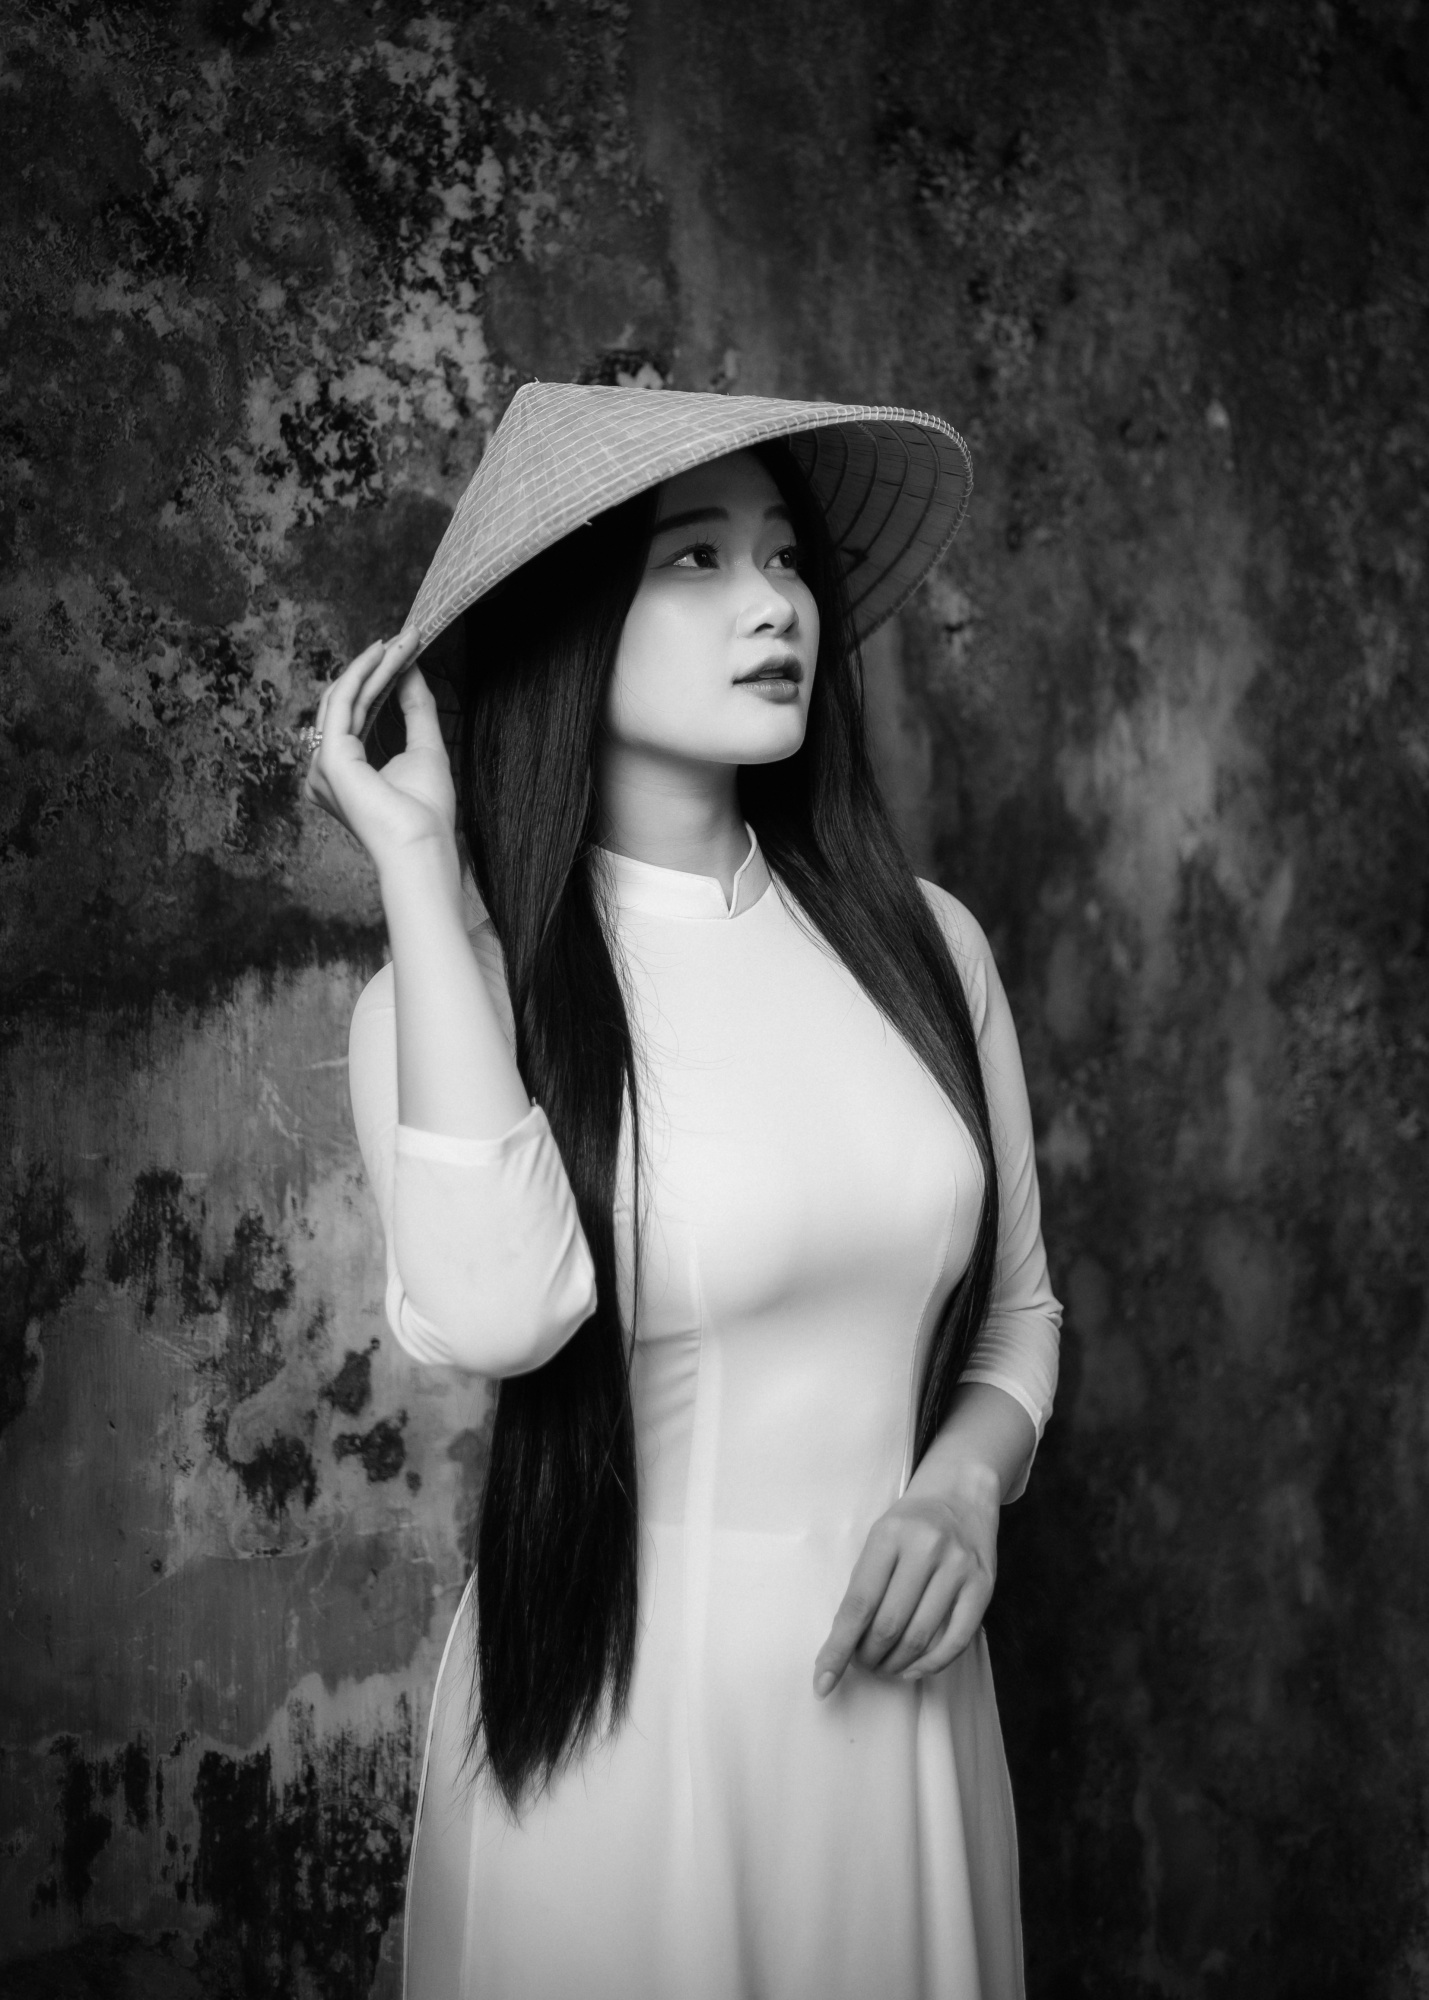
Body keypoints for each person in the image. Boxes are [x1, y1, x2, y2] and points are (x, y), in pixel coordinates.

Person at [303, 382, 1061, 2000]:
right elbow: (499, 1320)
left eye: (783, 557)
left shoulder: (929, 947)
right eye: (696, 559)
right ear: (574, 620)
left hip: (910, 1726)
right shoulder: (450, 1005)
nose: (773, 602)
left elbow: (1017, 1317)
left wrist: (960, 1491)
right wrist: (421, 878)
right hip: (620, 1739)